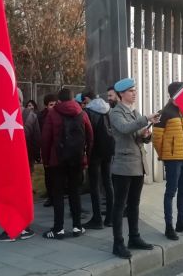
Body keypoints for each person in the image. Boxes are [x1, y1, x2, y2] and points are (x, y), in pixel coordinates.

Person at [109, 78, 161, 259]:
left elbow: (137, 137)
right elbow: (124, 129)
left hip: (137, 165)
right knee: (119, 205)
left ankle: (134, 237)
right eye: (131, 91)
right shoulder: (116, 112)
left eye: (134, 90)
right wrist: (145, 119)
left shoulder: (134, 112)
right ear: (121, 94)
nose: (134, 93)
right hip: (123, 166)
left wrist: (146, 134)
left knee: (134, 204)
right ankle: (118, 243)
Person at [41, 88, 93, 239]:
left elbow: (45, 139)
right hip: (77, 160)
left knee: (57, 195)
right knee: (74, 193)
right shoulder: (82, 113)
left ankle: (58, 229)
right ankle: (77, 227)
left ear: (59, 100)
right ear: (72, 99)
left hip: (57, 160)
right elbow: (90, 137)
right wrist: (86, 157)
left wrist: (46, 160)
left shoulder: (52, 113)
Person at [153, 82, 183, 240]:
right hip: (172, 159)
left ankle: (182, 222)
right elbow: (157, 138)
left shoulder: (182, 111)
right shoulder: (165, 112)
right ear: (174, 94)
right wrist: (165, 155)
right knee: (170, 192)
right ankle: (169, 227)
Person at [0, 88, 40, 241]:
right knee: (24, 192)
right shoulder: (31, 115)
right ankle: (24, 227)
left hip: (7, 161)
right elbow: (36, 140)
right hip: (26, 161)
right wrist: (33, 158)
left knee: (9, 192)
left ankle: (10, 228)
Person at [82, 90, 115, 229]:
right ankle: (110, 218)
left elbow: (88, 134)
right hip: (108, 149)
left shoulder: (89, 112)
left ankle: (97, 220)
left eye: (84, 101)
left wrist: (87, 152)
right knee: (108, 182)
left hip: (95, 151)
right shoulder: (108, 109)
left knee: (95, 185)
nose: (83, 105)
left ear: (87, 99)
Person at [38, 93, 58, 207]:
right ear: (46, 106)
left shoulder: (60, 115)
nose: (53, 107)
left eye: (55, 104)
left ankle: (57, 196)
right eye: (51, 105)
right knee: (48, 175)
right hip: (47, 149)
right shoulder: (41, 117)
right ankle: (51, 196)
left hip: (57, 150)